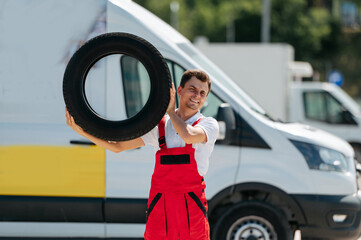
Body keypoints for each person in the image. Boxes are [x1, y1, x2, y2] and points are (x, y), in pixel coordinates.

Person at [65, 69, 219, 240]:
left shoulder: (209, 124)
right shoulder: (160, 126)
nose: (197, 95)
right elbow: (118, 146)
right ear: (180, 90)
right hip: (161, 211)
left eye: (202, 93)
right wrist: (83, 131)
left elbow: (188, 135)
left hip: (192, 213)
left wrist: (170, 111)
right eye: (193, 89)